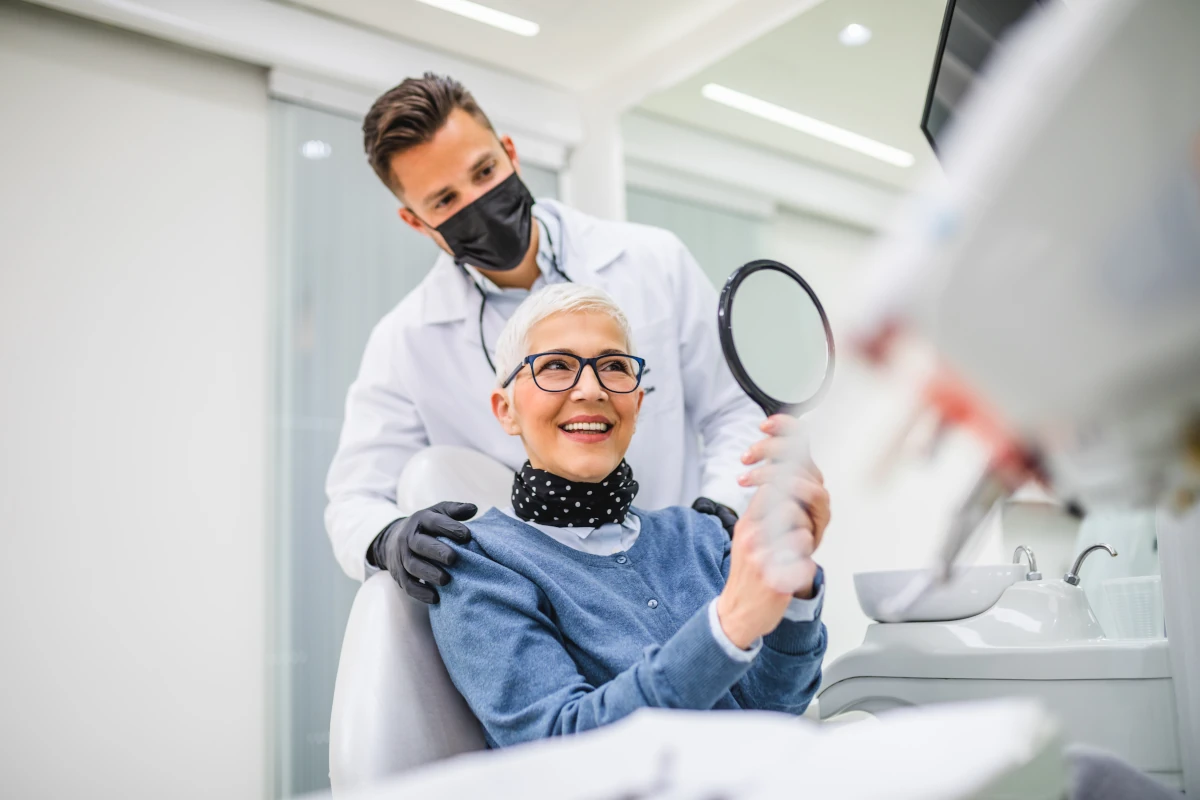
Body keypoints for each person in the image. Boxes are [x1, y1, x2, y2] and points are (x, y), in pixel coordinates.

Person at [325, 73, 766, 603]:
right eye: (445, 200)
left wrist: (718, 513)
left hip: (690, 574)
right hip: (548, 605)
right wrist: (386, 536)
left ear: (510, 153)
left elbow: (734, 412)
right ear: (416, 222)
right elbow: (355, 495)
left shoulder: (654, 262)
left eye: (485, 171)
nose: (478, 203)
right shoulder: (407, 340)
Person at [428, 284, 830, 747]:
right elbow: (559, 748)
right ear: (506, 410)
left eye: (614, 367)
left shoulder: (700, 537)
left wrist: (793, 587)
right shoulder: (481, 566)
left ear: (636, 404)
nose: (591, 389)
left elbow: (775, 707)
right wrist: (729, 625)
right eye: (556, 366)